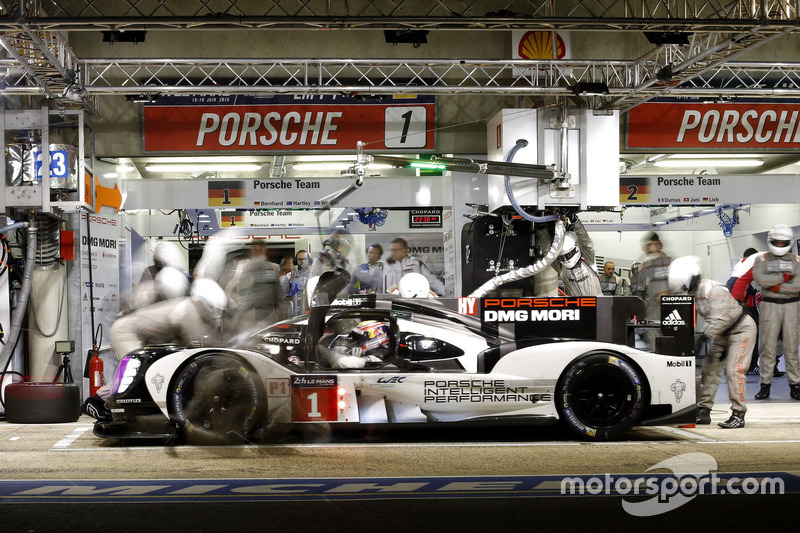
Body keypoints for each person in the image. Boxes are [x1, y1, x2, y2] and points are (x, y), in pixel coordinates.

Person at [83, 278, 228, 419]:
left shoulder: (188, 306)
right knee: (135, 374)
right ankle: (96, 402)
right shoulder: (189, 310)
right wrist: (223, 350)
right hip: (126, 331)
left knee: (145, 373)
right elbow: (198, 341)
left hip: (134, 332)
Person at [668, 256, 756, 429]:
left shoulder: (712, 289)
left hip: (741, 329)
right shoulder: (691, 293)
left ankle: (738, 414)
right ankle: (703, 410)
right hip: (722, 333)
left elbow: (722, 319)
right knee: (710, 371)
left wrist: (702, 338)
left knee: (734, 371)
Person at [746, 224, 800, 401]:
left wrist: (774, 284)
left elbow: (797, 285)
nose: (779, 245)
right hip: (769, 306)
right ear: (770, 241)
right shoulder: (761, 260)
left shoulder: (797, 260)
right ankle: (765, 385)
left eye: (782, 242)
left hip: (792, 306)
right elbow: (760, 278)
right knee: (767, 348)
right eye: (776, 242)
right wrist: (784, 279)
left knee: (791, 348)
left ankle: (795, 385)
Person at [223, 241, 284, 335]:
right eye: (256, 250)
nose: (258, 253)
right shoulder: (244, 268)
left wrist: (281, 313)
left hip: (266, 315)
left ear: (265, 251)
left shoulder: (273, 268)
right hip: (247, 315)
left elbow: (278, 294)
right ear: (252, 251)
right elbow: (233, 291)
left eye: (260, 250)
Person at [634, 232, 672, 350]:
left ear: (659, 245)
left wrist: (668, 293)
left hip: (671, 312)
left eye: (650, 244)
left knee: (670, 347)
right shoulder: (645, 266)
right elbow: (639, 289)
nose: (647, 247)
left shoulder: (671, 262)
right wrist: (641, 302)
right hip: (652, 313)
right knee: (655, 347)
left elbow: (683, 286)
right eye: (647, 245)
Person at [728, 248, 762, 374]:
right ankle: (749, 365)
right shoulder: (748, 266)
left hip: (740, 303)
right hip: (746, 305)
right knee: (750, 335)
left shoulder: (738, 266)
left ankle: (737, 364)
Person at [552, 217, 602, 297]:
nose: (566, 259)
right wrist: (542, 229)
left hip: (597, 305)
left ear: (576, 248)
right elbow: (547, 251)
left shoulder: (588, 259)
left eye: (569, 254)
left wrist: (575, 221)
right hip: (576, 307)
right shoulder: (561, 267)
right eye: (563, 257)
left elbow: (586, 242)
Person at [319, 320, 391, 369]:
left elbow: (342, 362)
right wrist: (346, 351)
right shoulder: (372, 356)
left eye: (360, 338)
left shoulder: (375, 360)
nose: (357, 342)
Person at [284, 249, 310, 316]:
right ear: (296, 261)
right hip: (294, 313)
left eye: (305, 259)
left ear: (309, 260)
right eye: (300, 259)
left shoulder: (314, 276)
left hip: (310, 312)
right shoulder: (289, 276)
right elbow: (284, 295)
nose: (303, 261)